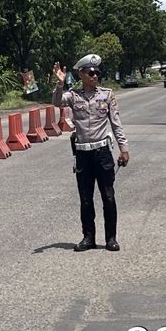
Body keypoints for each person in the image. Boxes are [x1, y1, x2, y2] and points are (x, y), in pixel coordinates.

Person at [50, 53, 129, 251]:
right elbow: (56, 102)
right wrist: (60, 84)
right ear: (81, 74)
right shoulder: (73, 96)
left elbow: (116, 124)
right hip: (83, 154)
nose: (95, 76)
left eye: (97, 73)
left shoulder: (107, 95)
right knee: (85, 199)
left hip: (102, 153)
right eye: (91, 73)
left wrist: (124, 149)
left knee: (108, 196)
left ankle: (111, 238)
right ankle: (88, 238)